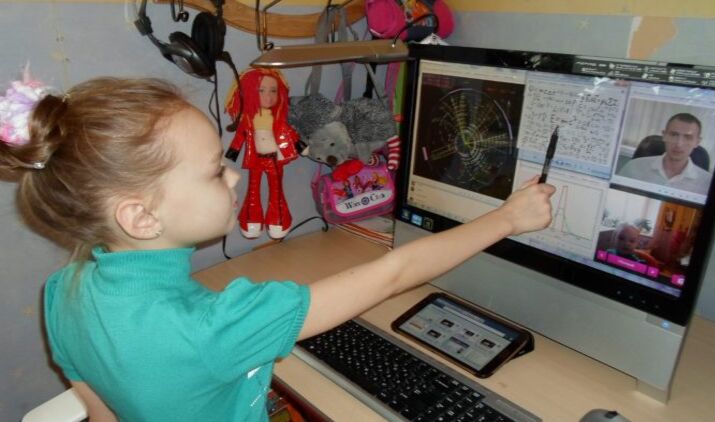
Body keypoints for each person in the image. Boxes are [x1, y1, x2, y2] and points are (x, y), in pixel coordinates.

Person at [0, 77, 555, 421]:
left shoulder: (63, 289)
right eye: (214, 171)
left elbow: (97, 406)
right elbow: (393, 272)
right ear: (141, 217)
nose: (235, 175)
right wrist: (508, 218)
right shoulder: (215, 326)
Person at [224, 68, 302, 240]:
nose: (269, 96)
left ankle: (278, 220)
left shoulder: (278, 118)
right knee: (253, 190)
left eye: (273, 91)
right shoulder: (248, 119)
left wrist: (301, 146)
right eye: (261, 90)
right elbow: (240, 136)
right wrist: (231, 154)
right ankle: (251, 220)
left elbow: (290, 133)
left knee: (277, 190)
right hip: (255, 160)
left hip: (275, 160)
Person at [618, 113, 712, 195]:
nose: (679, 144)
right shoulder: (633, 167)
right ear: (664, 135)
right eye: (674, 135)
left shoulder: (707, 182)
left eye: (688, 137)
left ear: (697, 142)